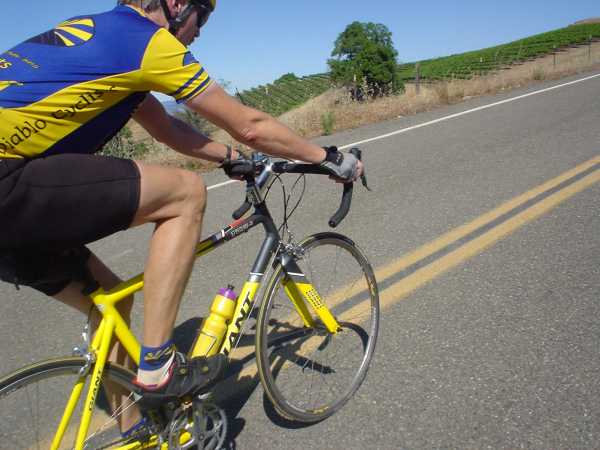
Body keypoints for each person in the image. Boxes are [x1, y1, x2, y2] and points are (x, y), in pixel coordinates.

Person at [0, 0, 362, 437]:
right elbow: (250, 124)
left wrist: (231, 158)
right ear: (175, 4)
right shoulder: (144, 40)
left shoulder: (102, 36)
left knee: (110, 299)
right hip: (7, 179)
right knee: (186, 194)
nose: (201, 30)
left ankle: (135, 430)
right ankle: (157, 367)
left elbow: (167, 129)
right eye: (203, 16)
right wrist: (329, 158)